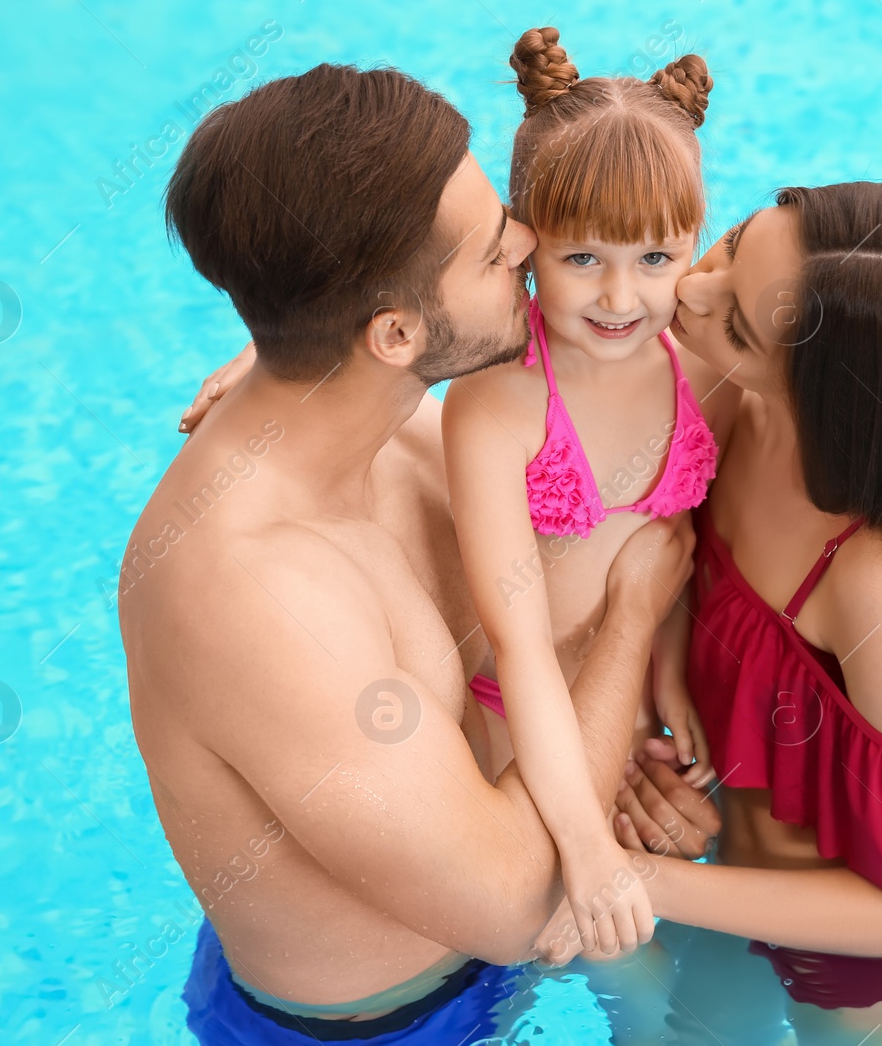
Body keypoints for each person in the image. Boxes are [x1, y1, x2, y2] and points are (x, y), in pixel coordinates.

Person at [121, 61, 693, 1044]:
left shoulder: (405, 420)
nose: (528, 241)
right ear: (392, 331)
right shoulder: (251, 591)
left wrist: (622, 766)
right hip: (393, 1025)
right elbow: (513, 900)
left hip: (514, 903)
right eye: (489, 252)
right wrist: (635, 617)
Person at [589, 181, 882, 1044]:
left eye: (738, 323)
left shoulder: (879, 586)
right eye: (731, 245)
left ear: (841, 399)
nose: (689, 290)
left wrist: (631, 876)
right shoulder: (740, 390)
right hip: (729, 892)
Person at [440, 26, 736, 962]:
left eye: (655, 259)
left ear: (695, 240)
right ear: (528, 243)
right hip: (516, 723)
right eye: (582, 261)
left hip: (636, 704)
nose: (620, 296)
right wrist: (581, 846)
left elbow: (672, 539)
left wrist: (674, 673)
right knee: (552, 957)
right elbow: (521, 645)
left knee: (682, 989)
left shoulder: (695, 364)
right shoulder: (502, 400)